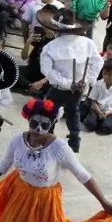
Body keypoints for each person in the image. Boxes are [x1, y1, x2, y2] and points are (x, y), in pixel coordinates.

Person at [34, 8, 102, 153]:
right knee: (73, 111)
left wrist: (66, 83)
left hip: (59, 88)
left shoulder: (50, 48)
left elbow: (47, 71)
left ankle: (46, 139)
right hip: (79, 88)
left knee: (48, 112)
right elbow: (98, 62)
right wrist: (87, 80)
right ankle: (74, 141)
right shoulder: (88, 43)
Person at [81, 58, 112, 135]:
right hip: (97, 109)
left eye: (110, 74)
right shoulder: (98, 84)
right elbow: (93, 101)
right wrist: (99, 112)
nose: (106, 76)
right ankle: (99, 121)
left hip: (111, 111)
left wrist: (108, 113)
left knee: (106, 129)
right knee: (89, 125)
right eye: (104, 73)